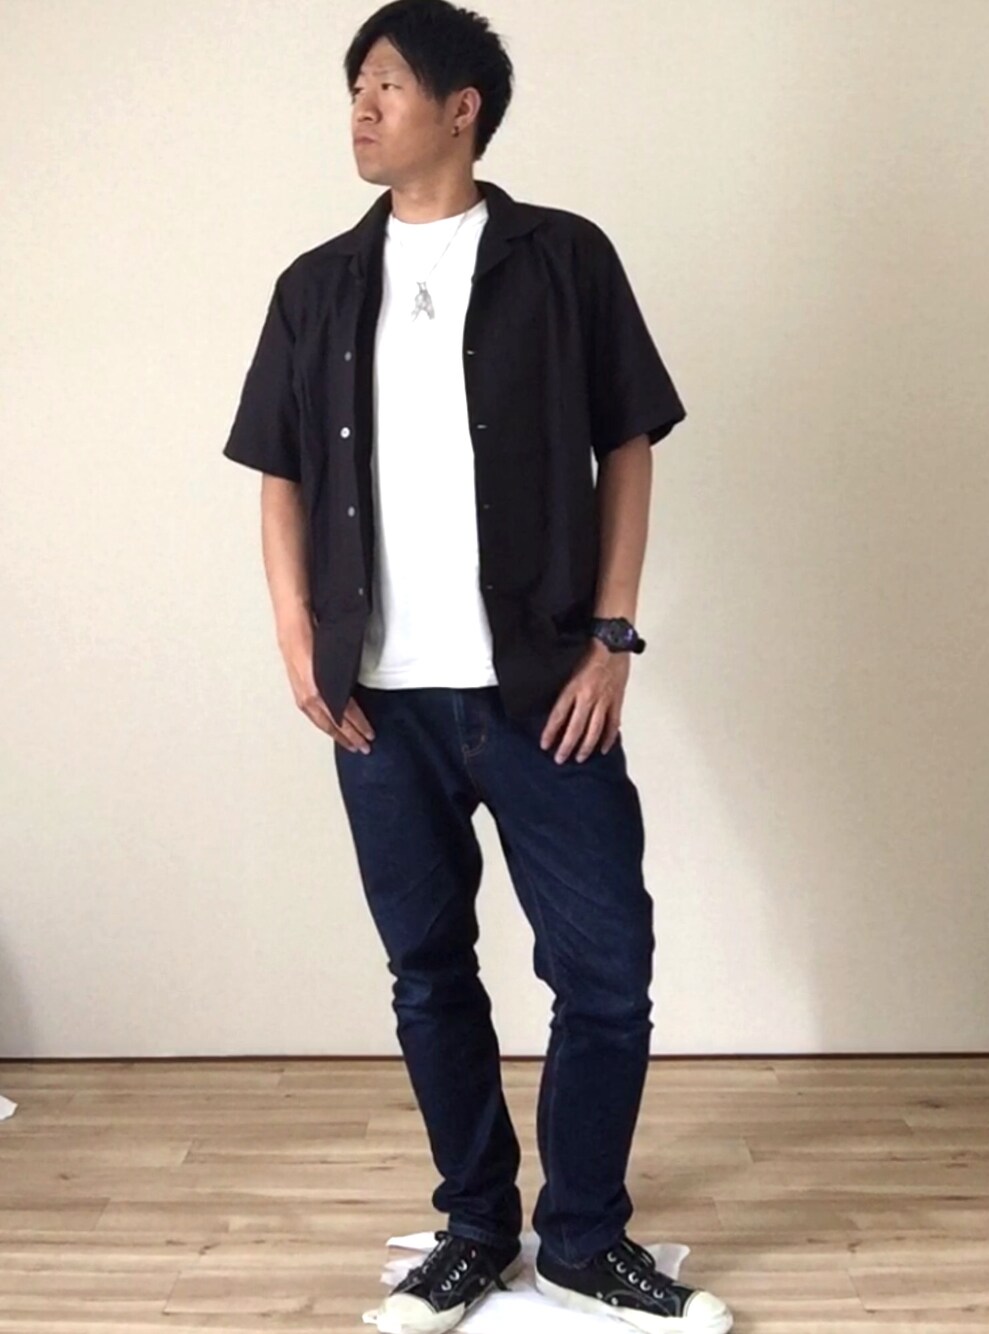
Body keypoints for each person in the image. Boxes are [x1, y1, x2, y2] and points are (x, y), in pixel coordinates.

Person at [222, 2, 732, 1330]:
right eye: (354, 85)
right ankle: (474, 1223)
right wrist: (296, 637)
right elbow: (278, 471)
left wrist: (612, 635)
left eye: (387, 83)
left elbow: (629, 442)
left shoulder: (564, 259)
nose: (360, 107)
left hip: (541, 688)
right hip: (379, 705)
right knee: (428, 971)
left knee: (605, 969)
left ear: (464, 108)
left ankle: (583, 1238)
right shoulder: (315, 286)